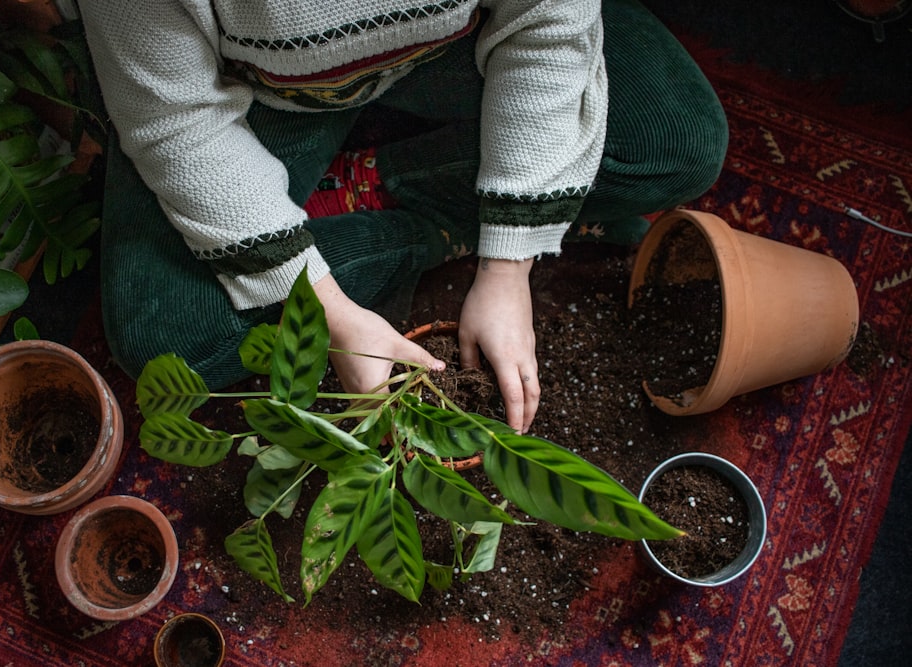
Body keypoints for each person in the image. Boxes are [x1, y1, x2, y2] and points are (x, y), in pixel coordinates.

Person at [76, 0, 727, 434]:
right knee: (165, 334)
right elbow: (175, 120)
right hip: (258, 91)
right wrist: (329, 313)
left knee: (677, 141)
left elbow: (546, 25)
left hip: (450, 48)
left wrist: (508, 265)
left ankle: (381, 186)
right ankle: (423, 209)